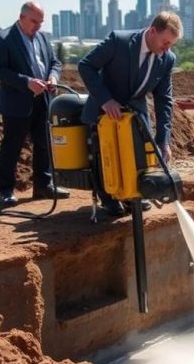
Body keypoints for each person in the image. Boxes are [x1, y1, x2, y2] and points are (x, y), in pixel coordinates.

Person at [78, 12, 182, 216]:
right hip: (103, 113)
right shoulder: (119, 41)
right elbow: (86, 66)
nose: (167, 49)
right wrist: (106, 100)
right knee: (106, 156)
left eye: (171, 45)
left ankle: (133, 196)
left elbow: (164, 101)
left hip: (136, 116)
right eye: (165, 42)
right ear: (152, 31)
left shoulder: (167, 59)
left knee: (139, 155)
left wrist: (164, 141)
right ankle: (109, 198)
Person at [0, 1, 69, 206]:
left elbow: (55, 63)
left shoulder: (43, 38)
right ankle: (6, 190)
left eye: (41, 22)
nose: (38, 26)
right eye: (34, 21)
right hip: (17, 102)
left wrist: (53, 77)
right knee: (12, 145)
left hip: (43, 100)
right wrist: (27, 82)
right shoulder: (3, 38)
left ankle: (43, 186)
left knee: (44, 144)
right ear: (21, 17)